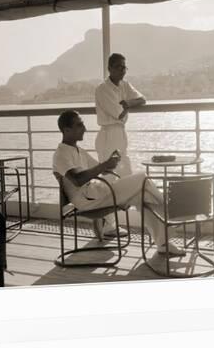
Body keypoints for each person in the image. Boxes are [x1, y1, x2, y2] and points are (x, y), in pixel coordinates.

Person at [52, 110, 185, 256]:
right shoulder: (61, 154)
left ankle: (163, 242)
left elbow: (102, 169)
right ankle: (172, 214)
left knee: (143, 194)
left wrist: (111, 162)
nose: (84, 128)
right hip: (87, 201)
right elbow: (77, 179)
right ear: (66, 130)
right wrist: (104, 165)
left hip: (98, 193)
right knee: (142, 179)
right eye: (80, 125)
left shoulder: (79, 151)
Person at [95, 53, 146, 237]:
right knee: (109, 180)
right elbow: (119, 113)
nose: (122, 70)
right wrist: (126, 106)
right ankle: (109, 225)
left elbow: (143, 99)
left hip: (120, 135)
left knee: (126, 177)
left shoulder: (124, 85)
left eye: (124, 67)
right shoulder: (103, 89)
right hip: (109, 135)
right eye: (118, 67)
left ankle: (135, 220)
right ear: (109, 68)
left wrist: (129, 102)